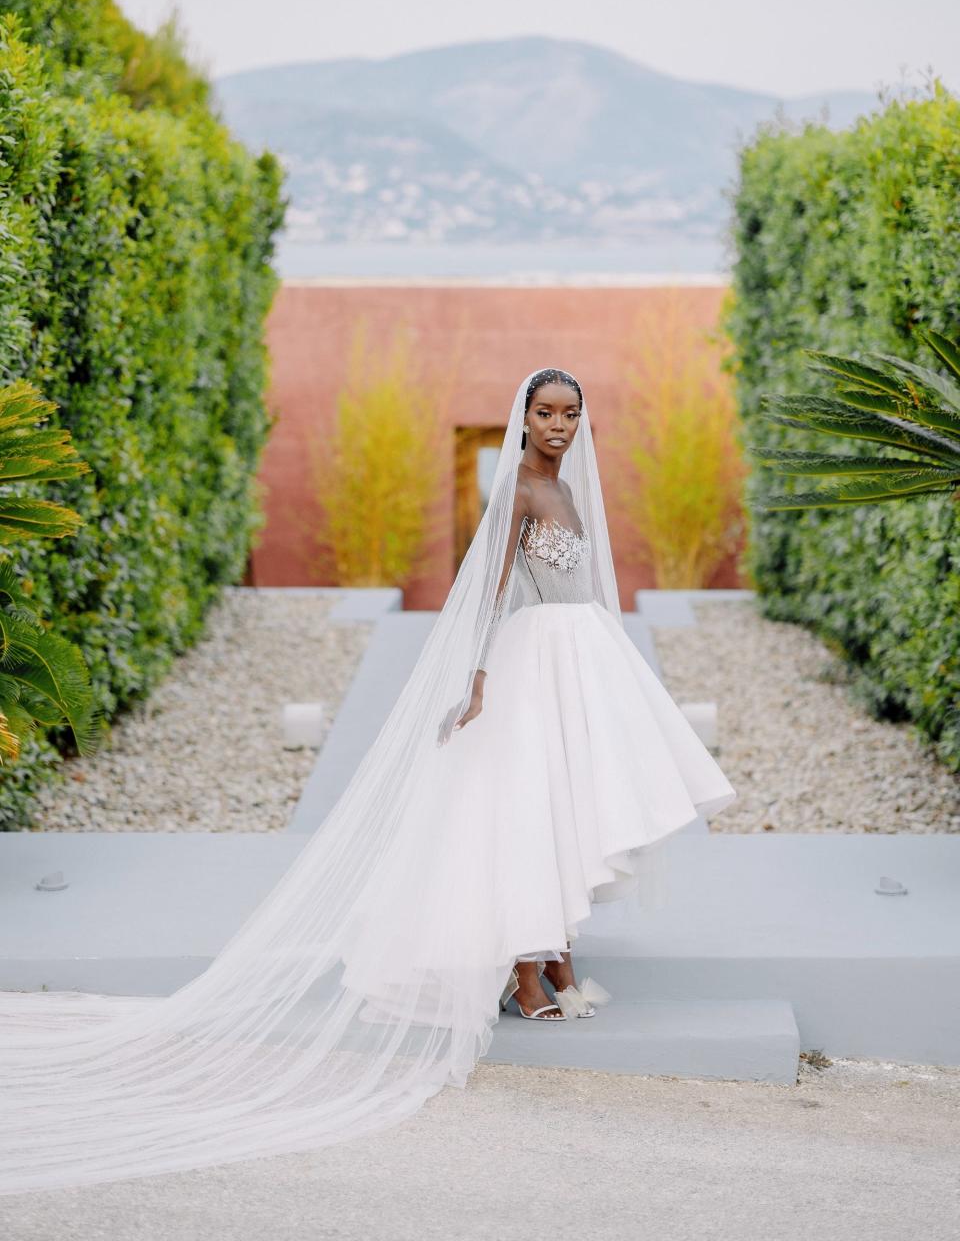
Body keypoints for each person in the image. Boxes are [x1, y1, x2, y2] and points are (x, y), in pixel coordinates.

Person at [0, 366, 736, 1195]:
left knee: (567, 800)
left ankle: (556, 956)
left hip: (581, 658)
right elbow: (489, 591)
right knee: (523, 808)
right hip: (533, 660)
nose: (559, 425)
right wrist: (479, 676)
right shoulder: (519, 489)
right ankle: (527, 972)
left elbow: (576, 584)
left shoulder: (565, 487)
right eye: (544, 412)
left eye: (570, 413)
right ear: (522, 418)